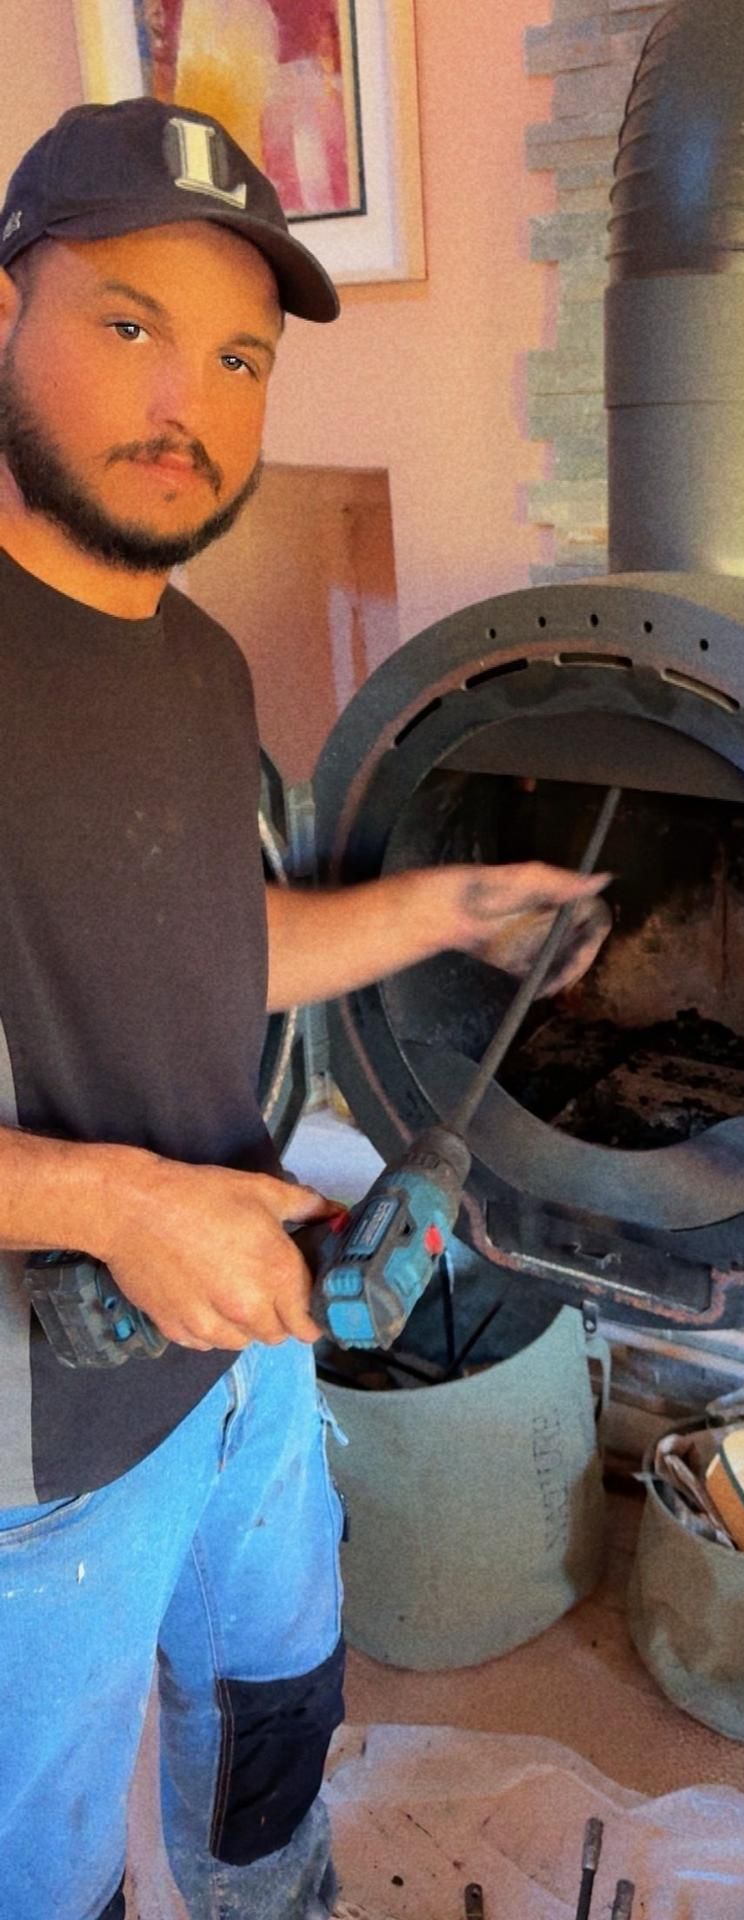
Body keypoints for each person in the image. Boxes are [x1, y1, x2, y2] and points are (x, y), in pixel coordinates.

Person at [0, 98, 610, 1920]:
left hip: (242, 1355)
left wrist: (448, 913)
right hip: (34, 1460)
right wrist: (114, 1201)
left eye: (240, 356)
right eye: (129, 322)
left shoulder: (191, 662)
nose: (185, 397)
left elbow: (202, 947)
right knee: (37, 1862)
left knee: (272, 1715)